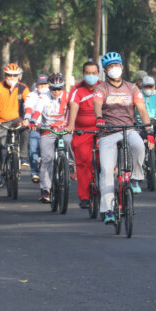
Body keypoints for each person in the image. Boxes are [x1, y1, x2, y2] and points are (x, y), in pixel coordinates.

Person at [93, 52, 154, 225]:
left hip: (129, 129)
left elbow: (141, 109)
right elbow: (97, 104)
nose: (114, 69)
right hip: (108, 132)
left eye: (116, 65)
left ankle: (134, 178)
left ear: (122, 67)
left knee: (139, 146)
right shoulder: (101, 88)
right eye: (110, 67)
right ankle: (107, 211)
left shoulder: (132, 88)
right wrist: (99, 118)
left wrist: (148, 128)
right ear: (105, 71)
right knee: (106, 170)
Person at [0, 63, 30, 188]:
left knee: (25, 127)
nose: (12, 78)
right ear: (4, 75)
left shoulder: (23, 88)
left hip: (16, 119)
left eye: (15, 76)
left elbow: (29, 103)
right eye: (9, 75)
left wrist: (27, 118)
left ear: (18, 76)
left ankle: (23, 156)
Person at [31, 73, 71, 203]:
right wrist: (32, 121)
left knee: (71, 142)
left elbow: (75, 111)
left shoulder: (68, 96)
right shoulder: (43, 97)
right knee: (47, 159)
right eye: (54, 88)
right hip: (47, 130)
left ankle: (71, 166)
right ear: (49, 88)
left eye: (59, 88)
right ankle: (45, 190)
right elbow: (37, 111)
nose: (56, 91)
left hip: (64, 129)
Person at [66, 61, 100, 209]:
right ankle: (85, 197)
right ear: (83, 74)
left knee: (105, 162)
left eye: (94, 73)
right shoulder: (77, 89)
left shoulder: (103, 88)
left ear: (98, 74)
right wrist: (71, 124)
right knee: (83, 162)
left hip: (102, 130)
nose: (91, 76)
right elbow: (74, 106)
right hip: (82, 131)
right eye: (88, 73)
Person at [24, 74, 50, 183]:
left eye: (45, 84)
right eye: (40, 85)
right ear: (37, 86)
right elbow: (29, 108)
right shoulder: (31, 95)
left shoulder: (52, 94)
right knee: (33, 148)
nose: (43, 87)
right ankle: (34, 171)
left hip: (49, 127)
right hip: (35, 127)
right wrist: (27, 119)